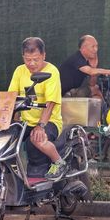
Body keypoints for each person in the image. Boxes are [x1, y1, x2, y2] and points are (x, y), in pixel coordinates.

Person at [8, 37, 65, 180]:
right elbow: (11, 97)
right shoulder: (19, 71)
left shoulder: (52, 72)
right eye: (28, 60)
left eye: (36, 59)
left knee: (36, 138)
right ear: (23, 57)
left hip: (50, 121)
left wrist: (41, 126)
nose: (32, 64)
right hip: (26, 122)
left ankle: (59, 162)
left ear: (44, 55)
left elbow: (50, 103)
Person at [59, 35, 110, 99]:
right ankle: (104, 109)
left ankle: (103, 109)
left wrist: (94, 66)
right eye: (93, 46)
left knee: (96, 91)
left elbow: (92, 84)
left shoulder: (87, 61)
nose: (96, 50)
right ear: (83, 48)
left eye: (96, 46)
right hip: (63, 94)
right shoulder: (77, 58)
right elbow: (91, 72)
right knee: (94, 89)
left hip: (73, 91)